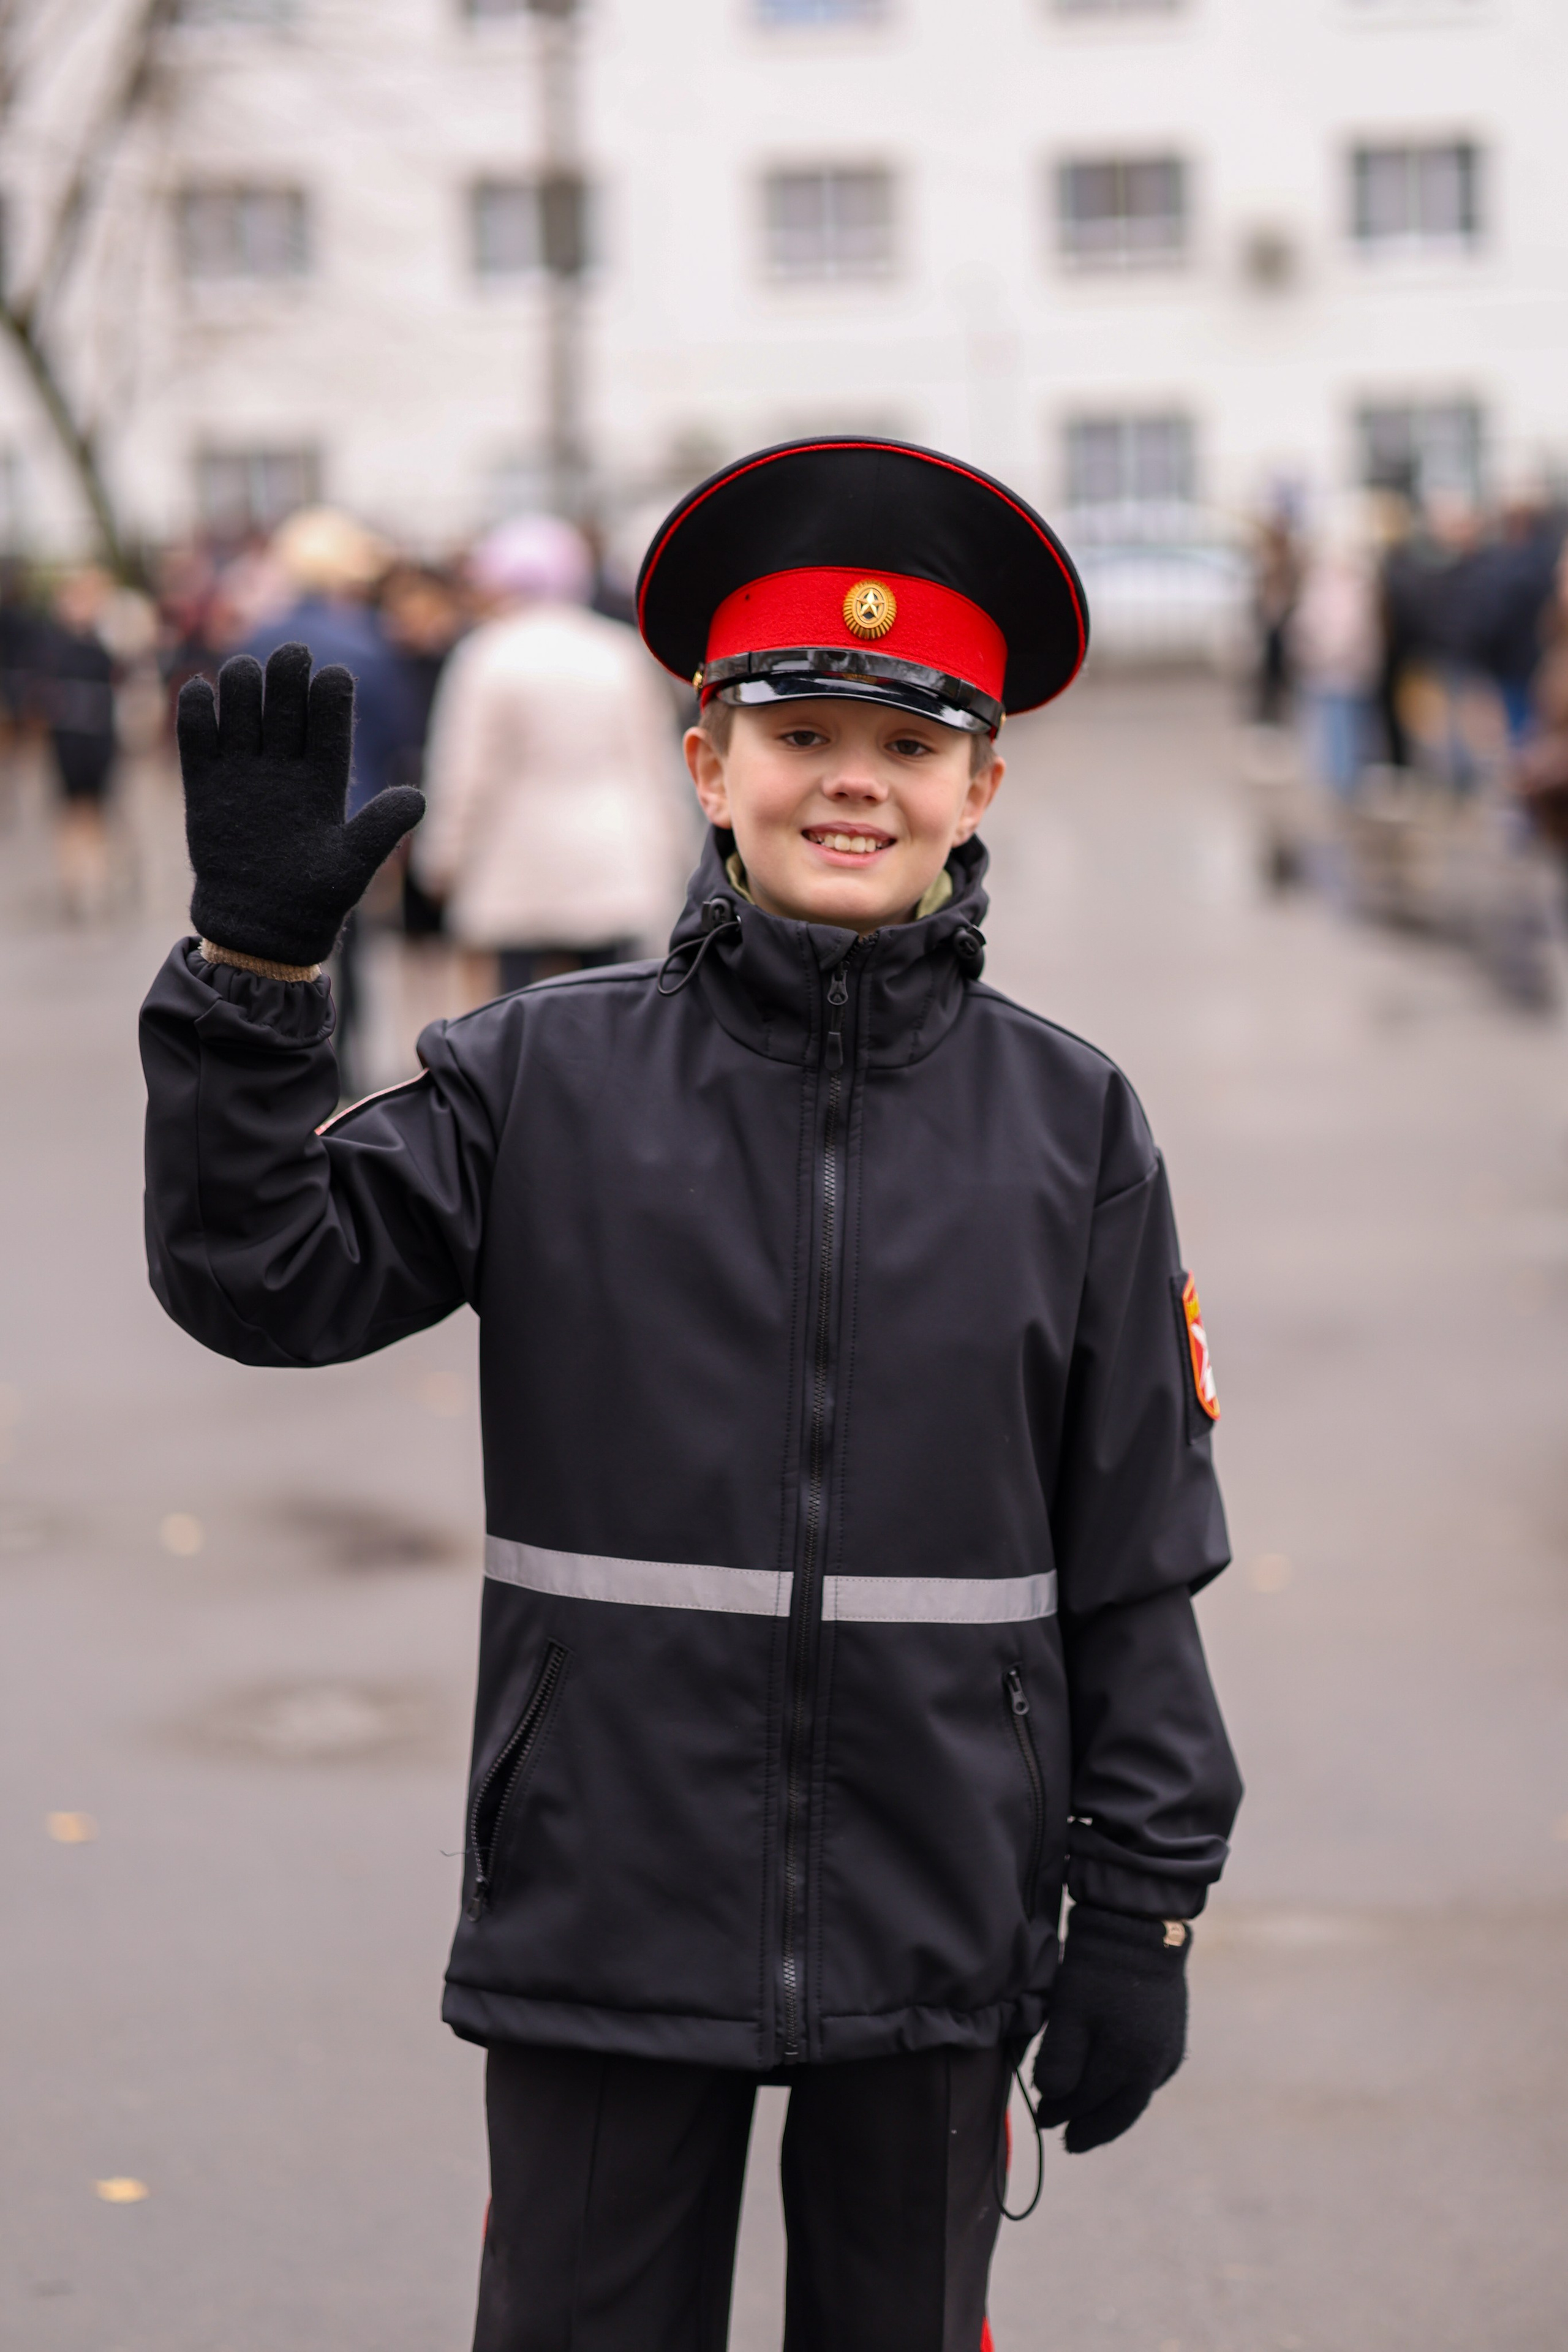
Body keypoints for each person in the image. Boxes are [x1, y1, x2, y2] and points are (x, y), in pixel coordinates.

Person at [140, 438, 1242, 2352]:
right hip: (604, 1900)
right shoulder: (538, 1078)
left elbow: (1134, 1548)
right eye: (800, 728)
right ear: (705, 760)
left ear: (979, 783)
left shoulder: (1075, 1123)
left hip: (938, 1911)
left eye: (907, 745)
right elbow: (262, 1278)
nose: (850, 781)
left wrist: (1140, 1906)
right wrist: (252, 974)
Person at [412, 513, 688, 1000]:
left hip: (516, 856)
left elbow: (464, 773)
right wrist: (676, 848)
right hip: (612, 852)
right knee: (613, 1009)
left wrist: (441, 859)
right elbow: (655, 762)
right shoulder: (618, 651)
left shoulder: (487, 654)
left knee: (511, 1019)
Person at [243, 506, 416, 1086]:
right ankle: (344, 1067)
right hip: (354, 810)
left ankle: (281, 1062)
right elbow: (398, 737)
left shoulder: (255, 639)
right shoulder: (368, 638)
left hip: (269, 817)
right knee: (355, 950)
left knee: (276, 954)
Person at [36, 565, 119, 921]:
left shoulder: (102, 641)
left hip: (98, 737)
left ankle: (95, 881)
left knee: (96, 813)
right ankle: (74, 881)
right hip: (69, 739)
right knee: (73, 813)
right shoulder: (54, 644)